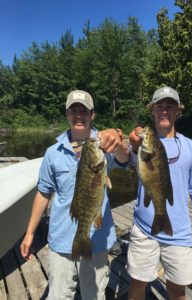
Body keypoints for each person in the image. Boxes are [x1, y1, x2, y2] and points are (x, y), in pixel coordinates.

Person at [20, 89, 129, 300]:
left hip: (96, 239)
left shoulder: (104, 144)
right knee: (59, 295)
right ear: (67, 114)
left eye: (84, 111)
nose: (79, 115)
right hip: (61, 238)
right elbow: (43, 194)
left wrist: (118, 140)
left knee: (94, 295)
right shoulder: (53, 153)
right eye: (74, 110)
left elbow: (125, 159)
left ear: (92, 114)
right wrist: (30, 233)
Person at [127, 86, 192, 300]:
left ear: (178, 112)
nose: (165, 110)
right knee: (137, 284)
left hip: (178, 232)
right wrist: (132, 146)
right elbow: (128, 159)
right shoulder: (140, 145)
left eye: (170, 106)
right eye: (160, 106)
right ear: (152, 111)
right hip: (143, 229)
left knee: (177, 291)